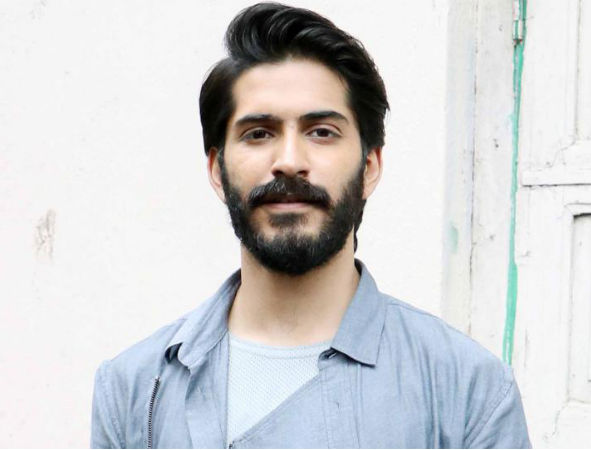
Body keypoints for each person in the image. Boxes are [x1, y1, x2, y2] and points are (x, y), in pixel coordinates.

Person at [91, 3, 531, 448]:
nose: (289, 161)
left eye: (321, 132)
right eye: (258, 133)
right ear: (216, 170)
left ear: (370, 166)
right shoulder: (134, 388)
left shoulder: (467, 390)